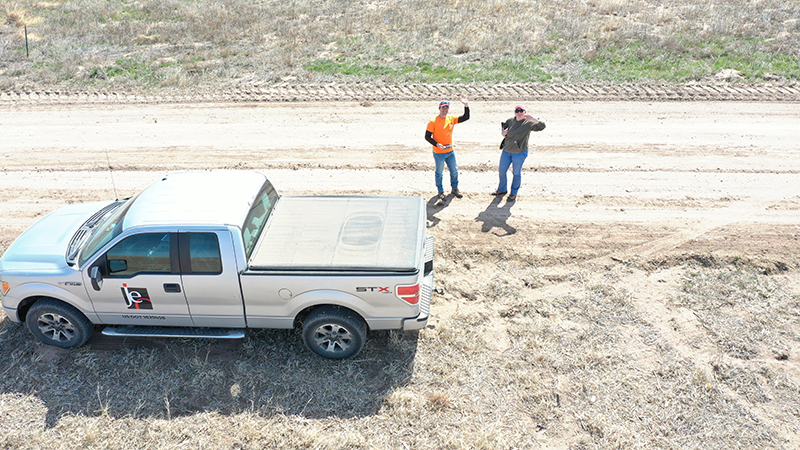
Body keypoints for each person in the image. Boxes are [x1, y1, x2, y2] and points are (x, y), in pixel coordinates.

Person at [493, 105, 546, 201]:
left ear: (525, 112)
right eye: (517, 111)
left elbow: (542, 126)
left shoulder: (528, 123)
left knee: (516, 173)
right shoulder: (510, 120)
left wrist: (534, 119)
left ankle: (513, 193)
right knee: (502, 171)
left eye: (521, 110)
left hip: (519, 152)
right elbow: (504, 129)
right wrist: (503, 133)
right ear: (514, 112)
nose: (519, 112)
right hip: (506, 150)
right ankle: (502, 189)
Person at [425, 94, 470, 200]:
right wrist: (437, 144)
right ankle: (440, 192)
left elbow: (466, 117)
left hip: (450, 151)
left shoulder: (451, 119)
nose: (445, 110)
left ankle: (455, 189)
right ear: (439, 108)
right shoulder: (433, 122)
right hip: (439, 153)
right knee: (439, 172)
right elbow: (427, 136)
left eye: (447, 108)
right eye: (443, 107)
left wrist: (466, 105)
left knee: (454, 170)